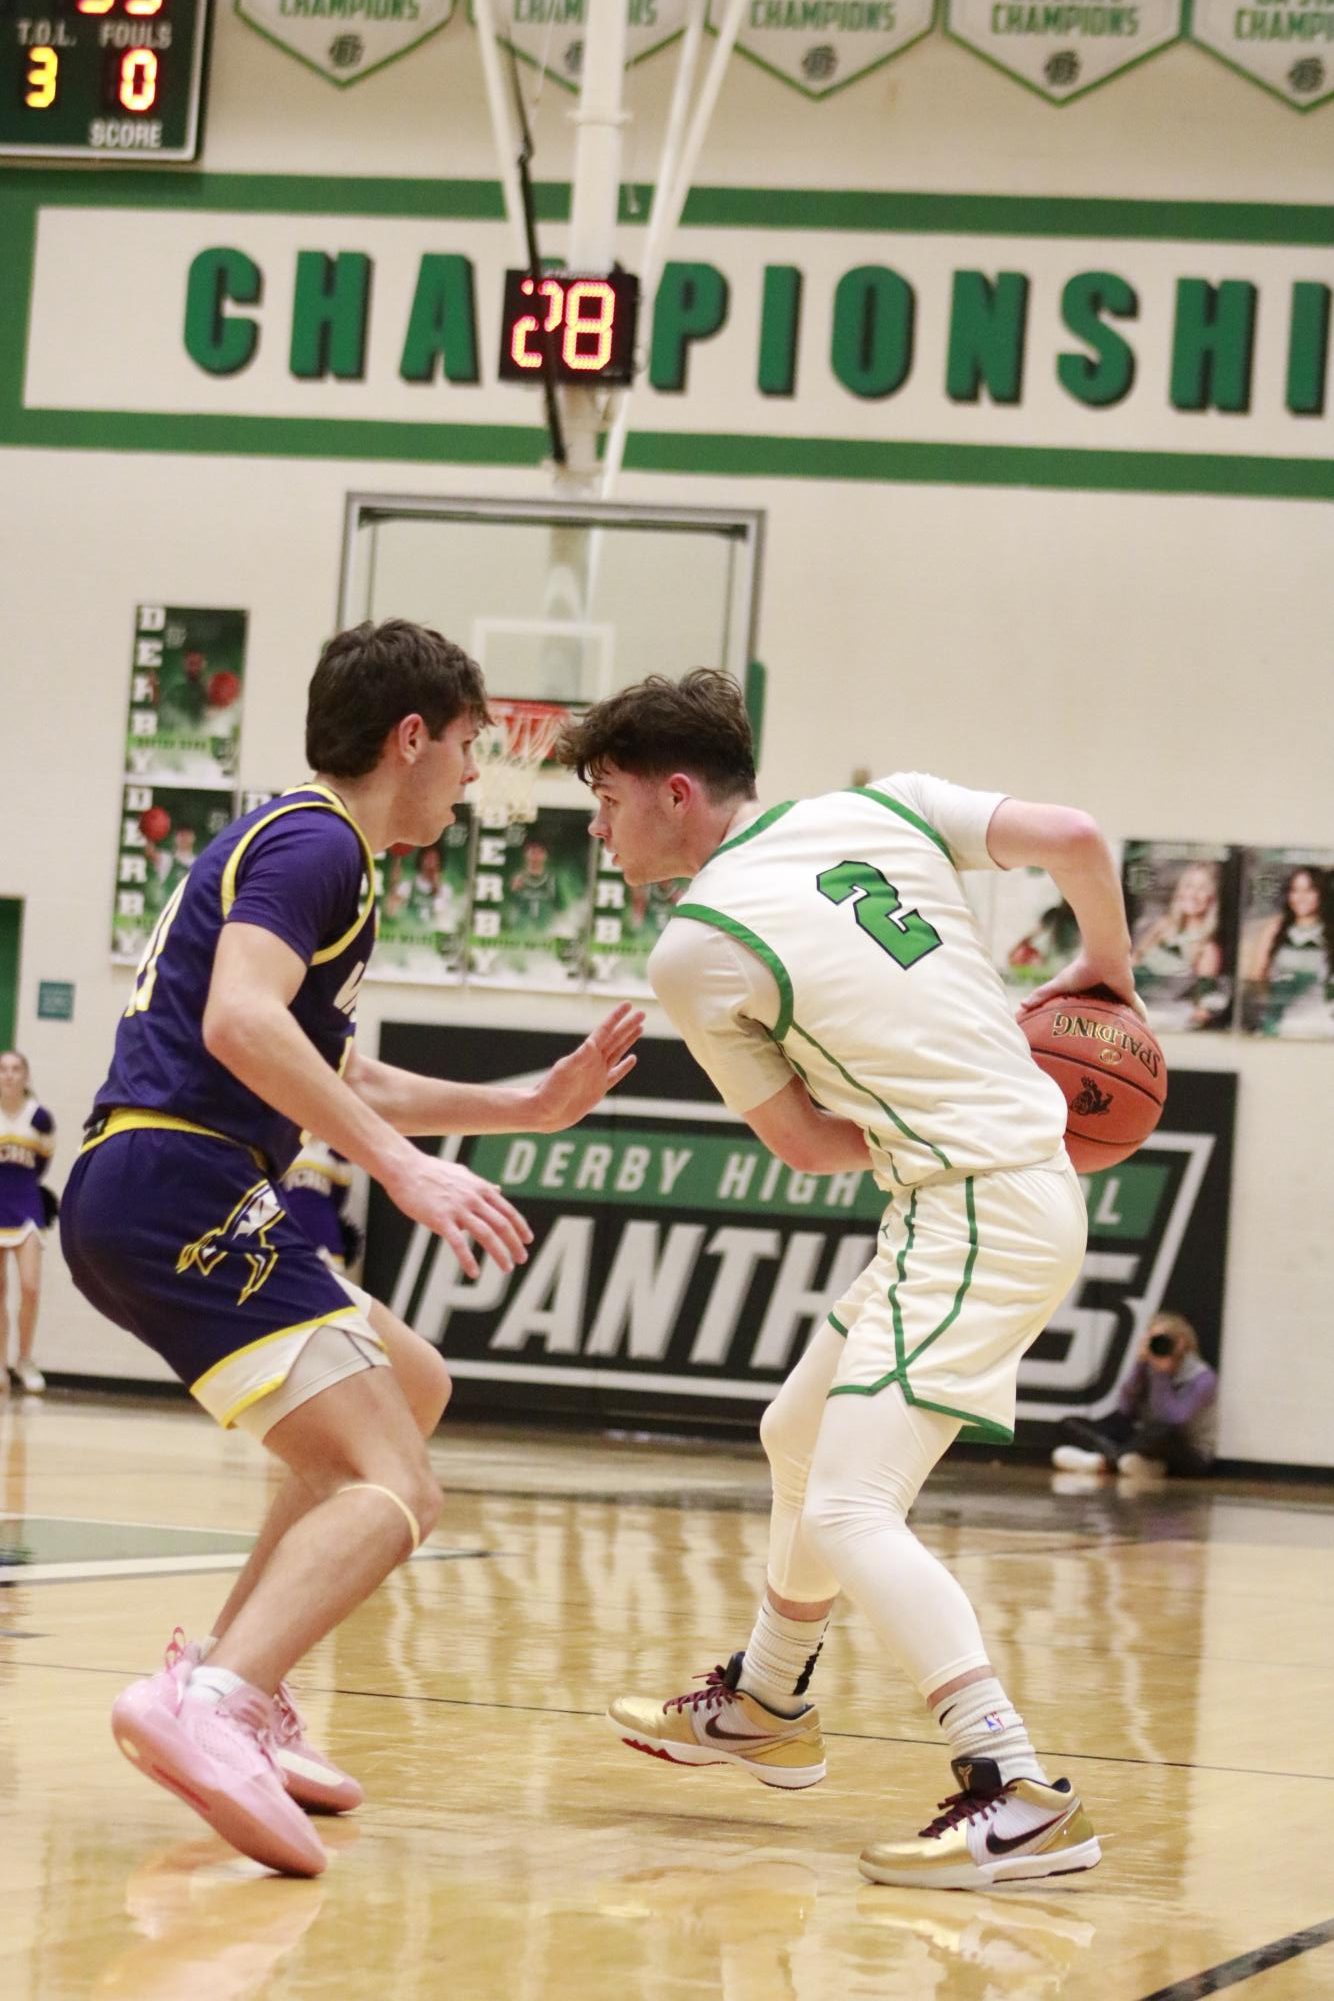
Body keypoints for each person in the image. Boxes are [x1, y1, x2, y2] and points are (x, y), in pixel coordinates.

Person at [60, 619, 643, 1877]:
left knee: (415, 1387)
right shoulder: (317, 838)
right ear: (412, 736)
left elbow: (333, 1064)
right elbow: (239, 1022)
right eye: (473, 748)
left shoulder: (314, 851)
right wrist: (398, 1162)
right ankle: (211, 1705)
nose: (476, 778)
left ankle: (232, 1692)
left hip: (169, 1183)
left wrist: (520, 1105)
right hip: (179, 1180)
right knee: (397, 1488)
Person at [558, 668, 1136, 1892]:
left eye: (605, 802)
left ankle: (1012, 1789)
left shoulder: (697, 948)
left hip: (971, 1200)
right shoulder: (886, 806)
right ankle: (767, 1702)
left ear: (674, 795)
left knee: (848, 1509)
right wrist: (1107, 976)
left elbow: (814, 1148)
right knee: (795, 1435)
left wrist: (936, 1114)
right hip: (982, 1192)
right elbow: (1078, 839)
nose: (597, 830)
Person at [1052, 1313, 1217, 1478]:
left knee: (1160, 1431)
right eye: (1151, 1340)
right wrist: (1140, 1364)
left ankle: (1105, 1462)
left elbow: (1172, 1418)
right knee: (1070, 1424)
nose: (1157, 1345)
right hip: (1144, 1442)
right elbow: (1125, 1408)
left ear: (1181, 1343)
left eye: (1162, 1340)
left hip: (1188, 1452)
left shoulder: (1203, 1378)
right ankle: (1136, 1465)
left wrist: (1161, 1374)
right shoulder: (1148, 1366)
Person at [0, 1050, 55, 1394]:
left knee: (31, 1287)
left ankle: (25, 1358)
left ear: (26, 1076)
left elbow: (44, 1162)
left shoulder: (40, 1118)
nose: (9, 1075)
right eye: (3, 1070)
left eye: (16, 1069)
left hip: (27, 1207)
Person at [1131, 858, 1229, 1030]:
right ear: (1180, 891)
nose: (1193, 894)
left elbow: (1203, 1007)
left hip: (1166, 1019)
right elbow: (1132, 963)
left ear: (1211, 897)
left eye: (1202, 888)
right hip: (1133, 1008)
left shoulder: (1207, 949)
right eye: (1189, 886)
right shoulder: (1163, 926)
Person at [1243, 865, 1333, 1037]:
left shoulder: (1330, 932)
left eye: (1309, 890)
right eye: (1295, 890)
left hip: (1320, 1021)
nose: (1301, 898)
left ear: (1321, 892)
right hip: (1277, 1016)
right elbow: (1256, 977)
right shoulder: (1274, 928)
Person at [280, 1136, 357, 1272]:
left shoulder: (336, 1149)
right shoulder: (288, 1142)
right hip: (288, 1224)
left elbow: (340, 1195)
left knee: (328, 1285)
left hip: (324, 1228)